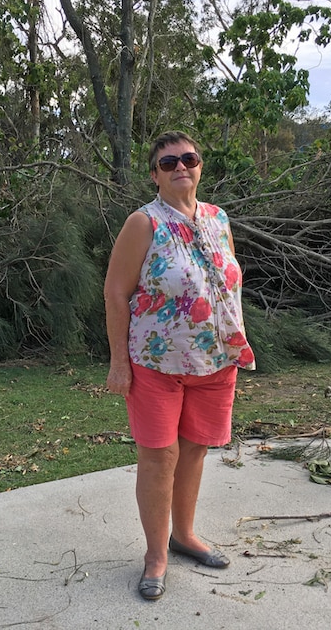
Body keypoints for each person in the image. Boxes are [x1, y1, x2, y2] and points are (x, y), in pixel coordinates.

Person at [104, 131, 256, 601]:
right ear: (155, 174)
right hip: (156, 363)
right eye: (168, 163)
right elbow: (115, 292)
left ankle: (184, 535)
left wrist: (235, 341)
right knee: (158, 457)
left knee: (194, 451)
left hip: (215, 362)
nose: (180, 167)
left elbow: (230, 281)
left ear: (200, 165)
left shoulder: (218, 218)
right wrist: (118, 363)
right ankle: (155, 555)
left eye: (188, 159)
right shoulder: (143, 224)